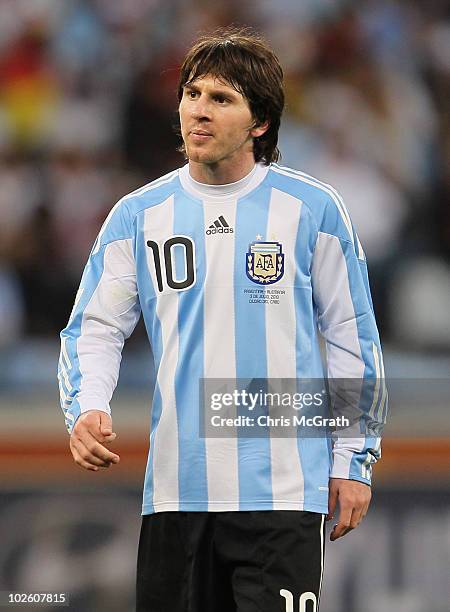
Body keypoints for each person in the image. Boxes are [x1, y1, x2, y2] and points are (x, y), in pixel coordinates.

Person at [58, 27, 387, 612]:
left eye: (221, 98)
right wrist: (87, 406)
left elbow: (351, 338)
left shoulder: (312, 210)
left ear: (259, 122)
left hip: (283, 493)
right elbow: (95, 328)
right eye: (192, 93)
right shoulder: (139, 214)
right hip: (177, 495)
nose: (197, 111)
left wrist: (353, 458)